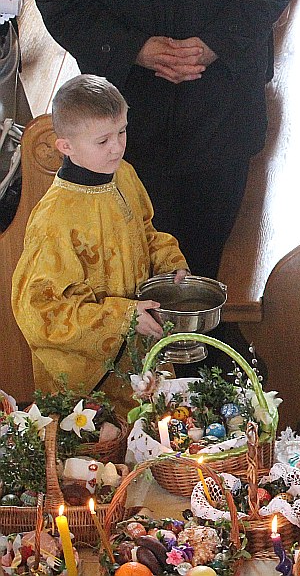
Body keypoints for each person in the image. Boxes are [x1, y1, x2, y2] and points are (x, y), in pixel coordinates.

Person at [34, 0, 295, 284]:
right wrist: (132, 48)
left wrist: (216, 43)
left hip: (222, 113)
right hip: (127, 123)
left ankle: (199, 334)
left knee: (204, 263)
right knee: (130, 264)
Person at [12, 75, 187, 410]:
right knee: (102, 459)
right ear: (66, 145)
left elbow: (146, 230)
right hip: (91, 379)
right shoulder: (54, 220)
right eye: (103, 140)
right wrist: (122, 317)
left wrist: (170, 264)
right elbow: (40, 312)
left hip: (142, 348)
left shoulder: (124, 174)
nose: (117, 147)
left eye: (121, 131)